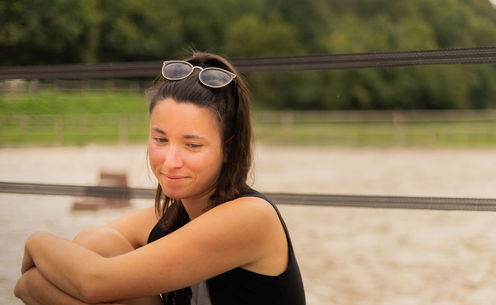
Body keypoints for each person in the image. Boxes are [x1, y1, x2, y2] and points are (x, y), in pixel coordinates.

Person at [14, 51, 306, 305]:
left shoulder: (250, 217)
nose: (170, 161)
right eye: (160, 139)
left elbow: (91, 282)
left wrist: (36, 241)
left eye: (193, 145)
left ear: (228, 148)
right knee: (98, 240)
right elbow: (38, 280)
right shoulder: (167, 216)